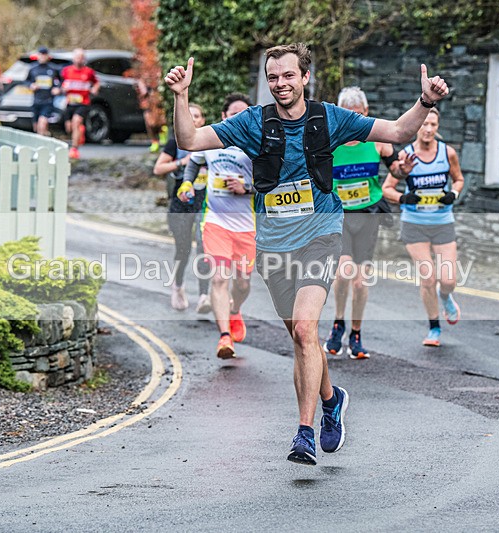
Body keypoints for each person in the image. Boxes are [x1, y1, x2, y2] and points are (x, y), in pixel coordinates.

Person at [165, 42, 449, 465]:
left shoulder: (328, 118)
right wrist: (181, 96)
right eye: (273, 77)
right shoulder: (251, 123)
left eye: (288, 76)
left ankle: (304, 433)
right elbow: (189, 138)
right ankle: (333, 400)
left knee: (303, 330)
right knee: (304, 340)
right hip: (274, 246)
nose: (280, 84)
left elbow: (396, 132)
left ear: (304, 77)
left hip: (320, 233)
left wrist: (425, 101)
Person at [322, 87, 416, 359]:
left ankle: (356, 334)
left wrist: (402, 170)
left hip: (367, 214)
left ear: (365, 113)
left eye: (359, 115)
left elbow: (395, 168)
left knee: (361, 283)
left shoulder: (377, 142)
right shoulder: (329, 142)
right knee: (343, 273)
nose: (355, 122)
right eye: (348, 116)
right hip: (339, 216)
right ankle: (338, 322)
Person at [180, 93, 255, 359]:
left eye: (244, 114)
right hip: (215, 222)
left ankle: (235, 311)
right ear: (224, 117)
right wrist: (187, 183)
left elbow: (272, 181)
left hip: (247, 226)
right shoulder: (211, 140)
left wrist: (247, 188)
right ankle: (224, 337)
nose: (238, 118)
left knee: (243, 283)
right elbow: (194, 163)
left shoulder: (257, 143)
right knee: (220, 277)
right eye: (233, 114)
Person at [382, 107, 464, 347]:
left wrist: (454, 193)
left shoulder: (447, 153)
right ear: (417, 127)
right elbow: (388, 188)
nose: (428, 130)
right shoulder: (406, 156)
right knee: (428, 278)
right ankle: (434, 328)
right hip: (414, 224)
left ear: (438, 128)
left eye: (433, 125)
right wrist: (403, 199)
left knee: (448, 279)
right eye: (424, 124)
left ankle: (446, 296)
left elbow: (459, 179)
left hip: (441, 223)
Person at [152, 104, 211, 312]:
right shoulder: (175, 143)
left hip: (204, 204)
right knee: (183, 250)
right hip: (181, 204)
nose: (193, 119)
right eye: (190, 115)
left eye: (197, 116)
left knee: (204, 249)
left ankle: (204, 296)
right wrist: (182, 162)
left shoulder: (209, 142)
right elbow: (158, 168)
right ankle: (178, 285)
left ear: (202, 120)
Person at [60, 48, 99, 160]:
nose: (79, 60)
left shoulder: (88, 72)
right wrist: (62, 89)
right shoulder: (66, 71)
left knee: (76, 121)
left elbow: (96, 83)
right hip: (70, 103)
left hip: (83, 103)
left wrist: (95, 89)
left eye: (82, 57)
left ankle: (74, 149)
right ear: (73, 58)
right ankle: (79, 131)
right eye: (77, 57)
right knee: (70, 127)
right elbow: (60, 84)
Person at [27, 46, 61, 137]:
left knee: (42, 123)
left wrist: (58, 88)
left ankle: (42, 146)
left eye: (44, 55)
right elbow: (26, 81)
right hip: (36, 101)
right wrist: (31, 85)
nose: (42, 57)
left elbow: (61, 81)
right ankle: (47, 137)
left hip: (48, 101)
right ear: (38, 55)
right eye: (41, 55)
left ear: (47, 56)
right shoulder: (33, 69)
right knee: (36, 127)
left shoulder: (53, 69)